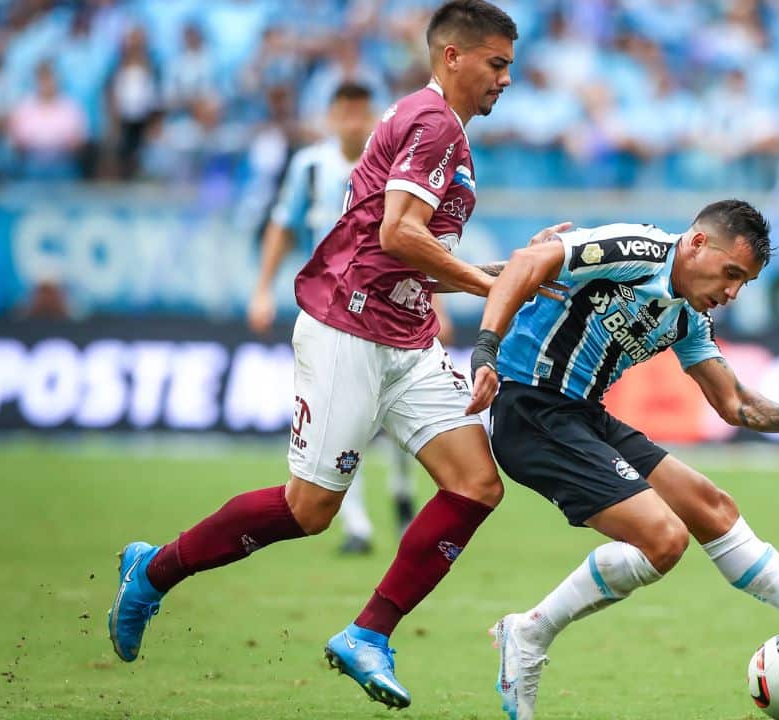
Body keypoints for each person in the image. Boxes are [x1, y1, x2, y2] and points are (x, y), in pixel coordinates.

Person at [108, 1, 541, 710]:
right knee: (311, 510)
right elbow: (401, 235)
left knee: (475, 484)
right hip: (348, 328)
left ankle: (369, 633)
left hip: (402, 335)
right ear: (453, 57)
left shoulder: (440, 132)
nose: (506, 80)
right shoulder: (432, 125)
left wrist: (516, 270)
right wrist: (491, 284)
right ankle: (154, 570)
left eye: (511, 67)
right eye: (497, 64)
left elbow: (406, 253)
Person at [466, 200, 779, 720]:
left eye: (745, 283)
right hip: (528, 406)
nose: (732, 293)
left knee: (712, 507)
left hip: (582, 413)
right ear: (695, 243)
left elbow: (734, 403)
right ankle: (529, 634)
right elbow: (527, 263)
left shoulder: (688, 319)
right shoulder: (638, 250)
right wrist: (485, 350)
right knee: (664, 539)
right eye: (731, 273)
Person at [246, 80, 424, 554]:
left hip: (386, 304)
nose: (352, 120)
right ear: (330, 116)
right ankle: (359, 523)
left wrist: (435, 305)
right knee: (346, 417)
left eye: (360, 111)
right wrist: (263, 290)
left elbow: (413, 238)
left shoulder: (391, 163)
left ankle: (403, 494)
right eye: (344, 111)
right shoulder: (309, 168)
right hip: (331, 309)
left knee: (394, 409)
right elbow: (282, 228)